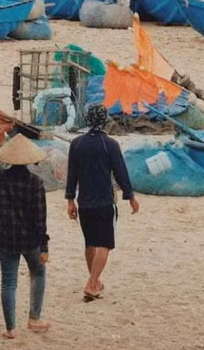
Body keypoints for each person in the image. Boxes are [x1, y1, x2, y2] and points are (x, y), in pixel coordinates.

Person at [65, 104, 139, 301]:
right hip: (105, 202)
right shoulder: (111, 145)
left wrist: (70, 200)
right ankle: (91, 283)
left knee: (90, 243)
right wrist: (130, 196)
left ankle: (94, 280)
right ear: (105, 120)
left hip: (85, 203)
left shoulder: (77, 144)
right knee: (104, 244)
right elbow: (121, 173)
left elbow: (71, 175)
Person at [0, 134, 51, 339]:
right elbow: (40, 217)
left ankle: (10, 329)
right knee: (38, 273)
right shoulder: (35, 183)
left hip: (6, 236)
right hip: (30, 239)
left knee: (8, 282)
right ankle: (34, 318)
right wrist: (44, 246)